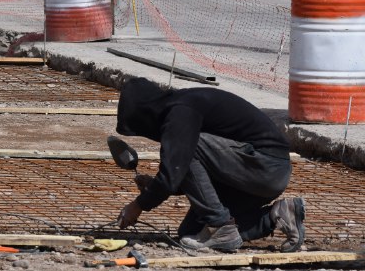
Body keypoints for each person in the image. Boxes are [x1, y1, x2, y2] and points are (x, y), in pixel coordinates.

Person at [114, 78, 305, 253]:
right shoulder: (179, 108)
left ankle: (219, 225)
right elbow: (194, 175)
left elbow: (178, 167)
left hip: (266, 167)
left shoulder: (181, 111)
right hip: (251, 175)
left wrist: (138, 205)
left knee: (189, 147)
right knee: (190, 232)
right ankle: (275, 216)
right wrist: (156, 184)